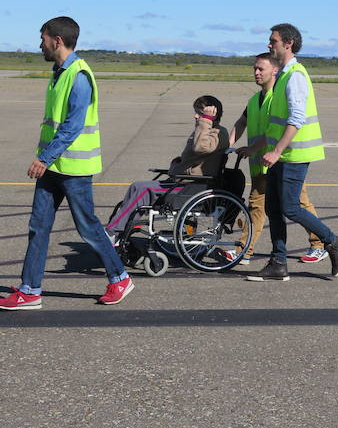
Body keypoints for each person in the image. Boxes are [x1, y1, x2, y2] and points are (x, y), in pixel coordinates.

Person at [0, 17, 133, 310]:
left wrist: (44, 158)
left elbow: (72, 127)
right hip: (53, 167)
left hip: (73, 168)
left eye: (43, 38)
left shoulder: (79, 75)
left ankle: (119, 278)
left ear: (57, 40)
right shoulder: (59, 72)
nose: (40, 44)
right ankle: (30, 289)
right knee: (38, 225)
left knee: (87, 227)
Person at [245, 23, 338, 281]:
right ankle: (278, 263)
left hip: (294, 155)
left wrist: (277, 151)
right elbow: (275, 123)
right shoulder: (281, 76)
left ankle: (334, 242)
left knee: (291, 207)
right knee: (273, 209)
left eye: (274, 41)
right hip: (280, 154)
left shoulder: (295, 76)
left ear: (288, 44)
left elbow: (296, 118)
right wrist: (256, 147)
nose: (270, 44)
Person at [230, 53, 327, 264]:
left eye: (260, 69)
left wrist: (261, 149)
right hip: (260, 163)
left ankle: (321, 244)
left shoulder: (278, 96)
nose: (255, 73)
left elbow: (278, 129)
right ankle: (244, 250)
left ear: (274, 71)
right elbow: (241, 123)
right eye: (254, 68)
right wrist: (226, 146)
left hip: (282, 160)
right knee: (257, 206)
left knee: (299, 204)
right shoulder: (255, 99)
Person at [105, 96, 229, 236]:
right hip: (183, 182)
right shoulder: (204, 130)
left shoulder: (219, 132)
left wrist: (205, 120)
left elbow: (200, 147)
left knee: (143, 191)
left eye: (199, 113)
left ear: (211, 114)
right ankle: (122, 230)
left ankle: (112, 232)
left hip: (192, 187)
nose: (195, 116)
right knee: (136, 186)